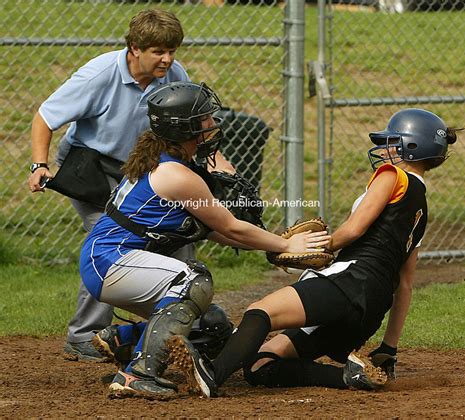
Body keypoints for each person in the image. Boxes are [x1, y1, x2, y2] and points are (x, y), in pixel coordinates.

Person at [165, 108, 460, 397]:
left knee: (259, 311)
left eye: (390, 142)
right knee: (261, 365)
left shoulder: (393, 175)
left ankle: (211, 375)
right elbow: (405, 285)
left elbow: (353, 230)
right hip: (370, 309)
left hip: (351, 281)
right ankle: (350, 376)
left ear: (411, 147)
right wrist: (388, 347)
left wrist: (317, 246)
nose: (383, 149)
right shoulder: (421, 210)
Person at [78, 81, 327, 399]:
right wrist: (286, 245)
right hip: (110, 260)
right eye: (205, 120)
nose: (212, 124)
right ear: (186, 129)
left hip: (115, 260)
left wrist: (270, 244)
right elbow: (232, 227)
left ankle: (124, 339)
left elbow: (219, 232)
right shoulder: (177, 176)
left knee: (214, 326)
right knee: (192, 280)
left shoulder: (172, 162)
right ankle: (137, 373)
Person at [27, 8, 233, 361]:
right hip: (93, 167)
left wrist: (216, 163)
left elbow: (190, 124)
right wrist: (39, 164)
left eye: (172, 51)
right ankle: (84, 334)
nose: (167, 59)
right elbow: (45, 117)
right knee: (110, 243)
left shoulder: (174, 74)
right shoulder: (100, 74)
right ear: (134, 48)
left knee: (176, 237)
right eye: (158, 51)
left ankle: (170, 327)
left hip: (142, 172)